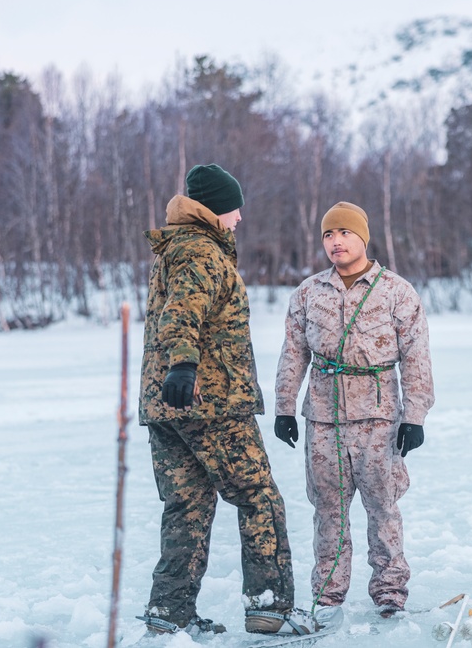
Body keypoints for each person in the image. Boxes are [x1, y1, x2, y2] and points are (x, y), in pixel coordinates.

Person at [137, 164, 319, 637]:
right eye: (235, 209)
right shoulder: (202, 252)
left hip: (165, 406)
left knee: (187, 505)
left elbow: (175, 311)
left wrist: (176, 373)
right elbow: (182, 314)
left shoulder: (173, 249)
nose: (239, 219)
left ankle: (169, 612)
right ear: (217, 208)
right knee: (259, 498)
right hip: (211, 402)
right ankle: (270, 607)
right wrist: (184, 364)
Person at [273, 201, 435, 618]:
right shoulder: (309, 293)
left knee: (383, 508)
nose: (336, 242)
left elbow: (416, 357)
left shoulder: (396, 291)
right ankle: (328, 595)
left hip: (379, 421)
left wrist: (415, 417)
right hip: (324, 421)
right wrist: (285, 407)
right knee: (327, 511)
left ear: (362, 237)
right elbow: (293, 354)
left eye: (344, 233)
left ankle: (389, 592)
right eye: (328, 234)